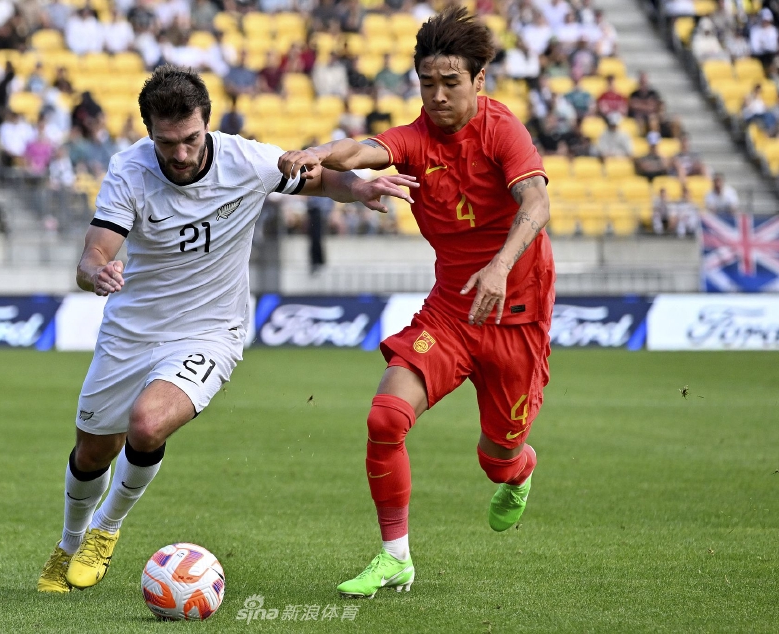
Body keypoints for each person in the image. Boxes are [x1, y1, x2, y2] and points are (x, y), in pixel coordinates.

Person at [36, 65, 417, 594]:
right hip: (131, 332)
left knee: (146, 425)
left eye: (191, 139)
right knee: (93, 451)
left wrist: (358, 187)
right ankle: (68, 542)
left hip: (211, 331)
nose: (181, 153)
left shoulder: (247, 160)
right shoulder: (129, 171)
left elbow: (321, 179)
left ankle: (106, 527)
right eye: (167, 142)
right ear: (149, 132)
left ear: (207, 123)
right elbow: (95, 250)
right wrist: (95, 272)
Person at [278, 6, 554, 599]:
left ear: (479, 80)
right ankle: (395, 557)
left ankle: (519, 469)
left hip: (517, 317)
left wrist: (499, 267)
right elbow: (361, 150)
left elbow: (537, 203)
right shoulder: (414, 139)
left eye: (450, 83)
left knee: (497, 459)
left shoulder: (503, 130)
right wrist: (315, 152)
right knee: (386, 416)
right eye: (427, 83)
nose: (437, 95)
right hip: (451, 313)